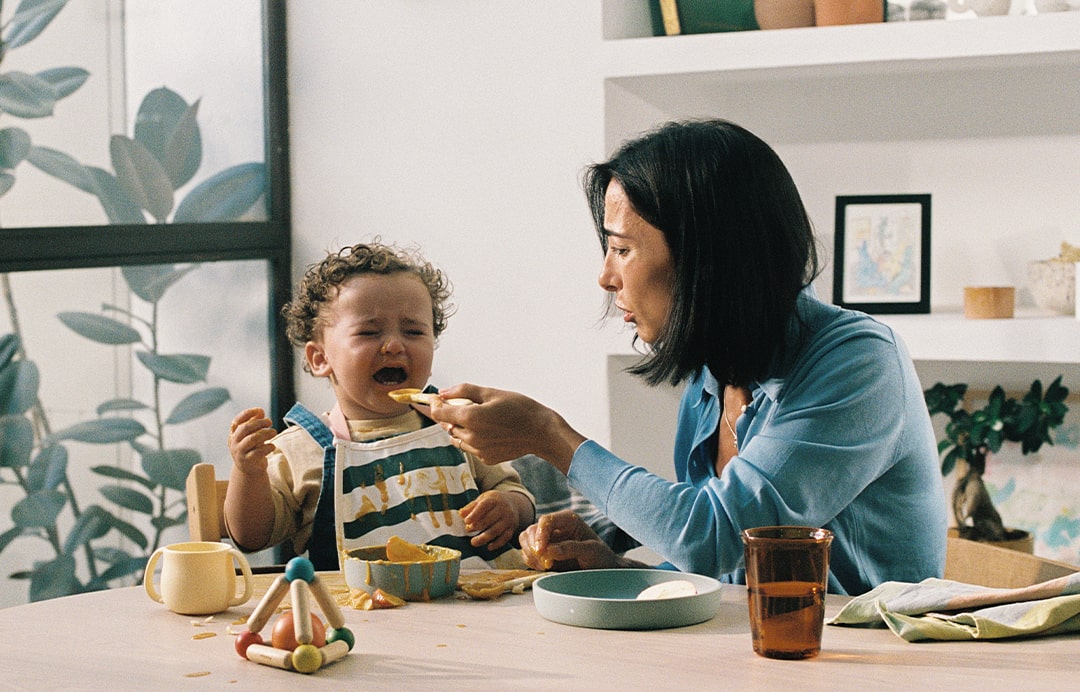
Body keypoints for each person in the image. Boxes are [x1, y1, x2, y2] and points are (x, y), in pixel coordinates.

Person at [420, 119, 947, 596]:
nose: (605, 277)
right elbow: (727, 572)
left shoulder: (859, 363)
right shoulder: (714, 376)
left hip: (874, 667)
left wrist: (550, 436)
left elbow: (718, 534)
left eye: (622, 249)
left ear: (705, 257)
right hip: (766, 660)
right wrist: (614, 566)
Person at [225, 241, 535, 571]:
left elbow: (514, 490)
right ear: (320, 358)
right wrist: (248, 472)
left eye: (414, 331)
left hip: (481, 606)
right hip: (365, 616)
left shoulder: (455, 422)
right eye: (370, 332)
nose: (393, 345)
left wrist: (510, 507)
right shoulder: (300, 451)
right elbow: (251, 537)